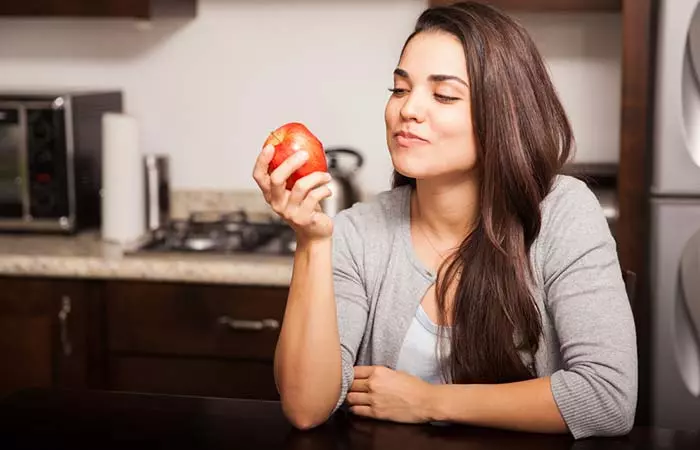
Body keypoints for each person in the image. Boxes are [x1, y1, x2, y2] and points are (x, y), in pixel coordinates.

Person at [252, 1, 637, 440]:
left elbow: (607, 397)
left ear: (502, 114)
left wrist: (427, 402)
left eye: (444, 95)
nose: (408, 110)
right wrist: (312, 242)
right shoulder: (359, 232)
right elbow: (306, 407)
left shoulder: (563, 213)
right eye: (399, 90)